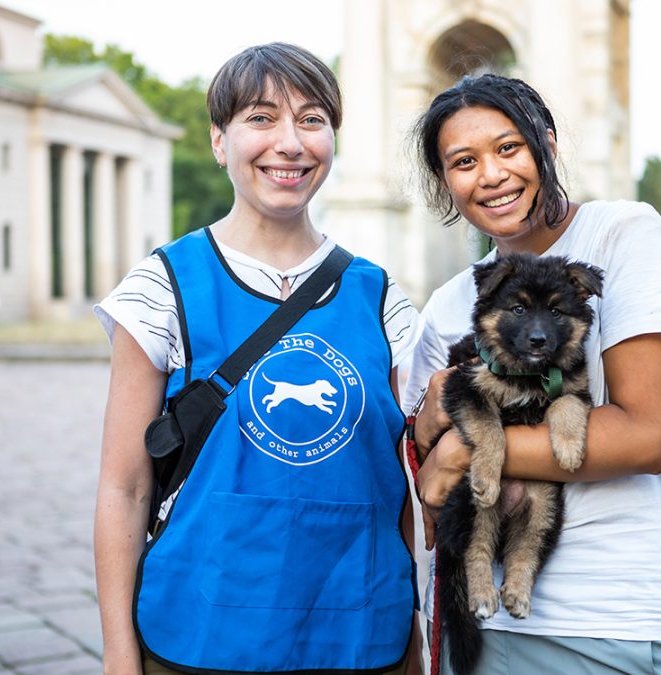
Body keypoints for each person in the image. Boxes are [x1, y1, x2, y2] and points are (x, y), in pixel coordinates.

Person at [93, 43, 423, 675]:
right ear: (220, 141)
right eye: (261, 118)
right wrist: (117, 655)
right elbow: (124, 486)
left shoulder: (382, 298)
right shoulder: (163, 286)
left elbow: (402, 483)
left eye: (311, 119)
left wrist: (412, 626)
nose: (290, 142)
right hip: (202, 629)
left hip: (356, 630)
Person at [406, 73, 661, 674]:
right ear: (446, 181)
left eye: (509, 147)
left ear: (547, 143)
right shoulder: (448, 304)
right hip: (481, 624)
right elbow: (419, 459)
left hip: (611, 617)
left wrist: (470, 452)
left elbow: (645, 436)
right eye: (464, 161)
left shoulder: (622, 235)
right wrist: (428, 429)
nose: (490, 175)